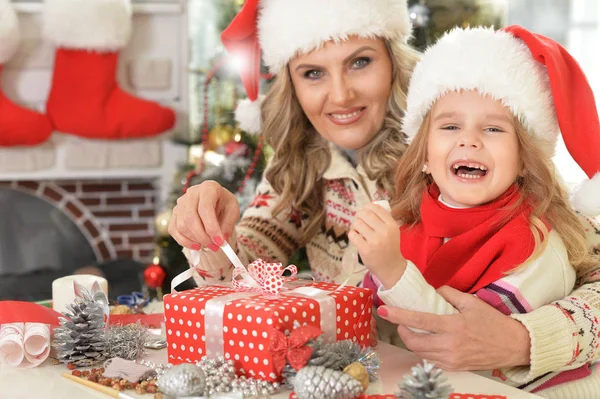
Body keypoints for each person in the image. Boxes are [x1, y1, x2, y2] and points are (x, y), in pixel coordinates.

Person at [168, 0, 600, 381]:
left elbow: (584, 267)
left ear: (394, 61)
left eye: (360, 62)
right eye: (313, 72)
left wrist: (524, 340)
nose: (340, 94)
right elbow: (243, 272)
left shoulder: (467, 151)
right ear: (292, 87)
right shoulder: (301, 167)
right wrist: (211, 235)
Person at [350, 26, 600, 397]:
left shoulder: (533, 246)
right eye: (450, 126)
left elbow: (467, 350)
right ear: (423, 158)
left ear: (523, 162)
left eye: (493, 128)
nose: (469, 139)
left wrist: (393, 271)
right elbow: (375, 324)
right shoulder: (408, 222)